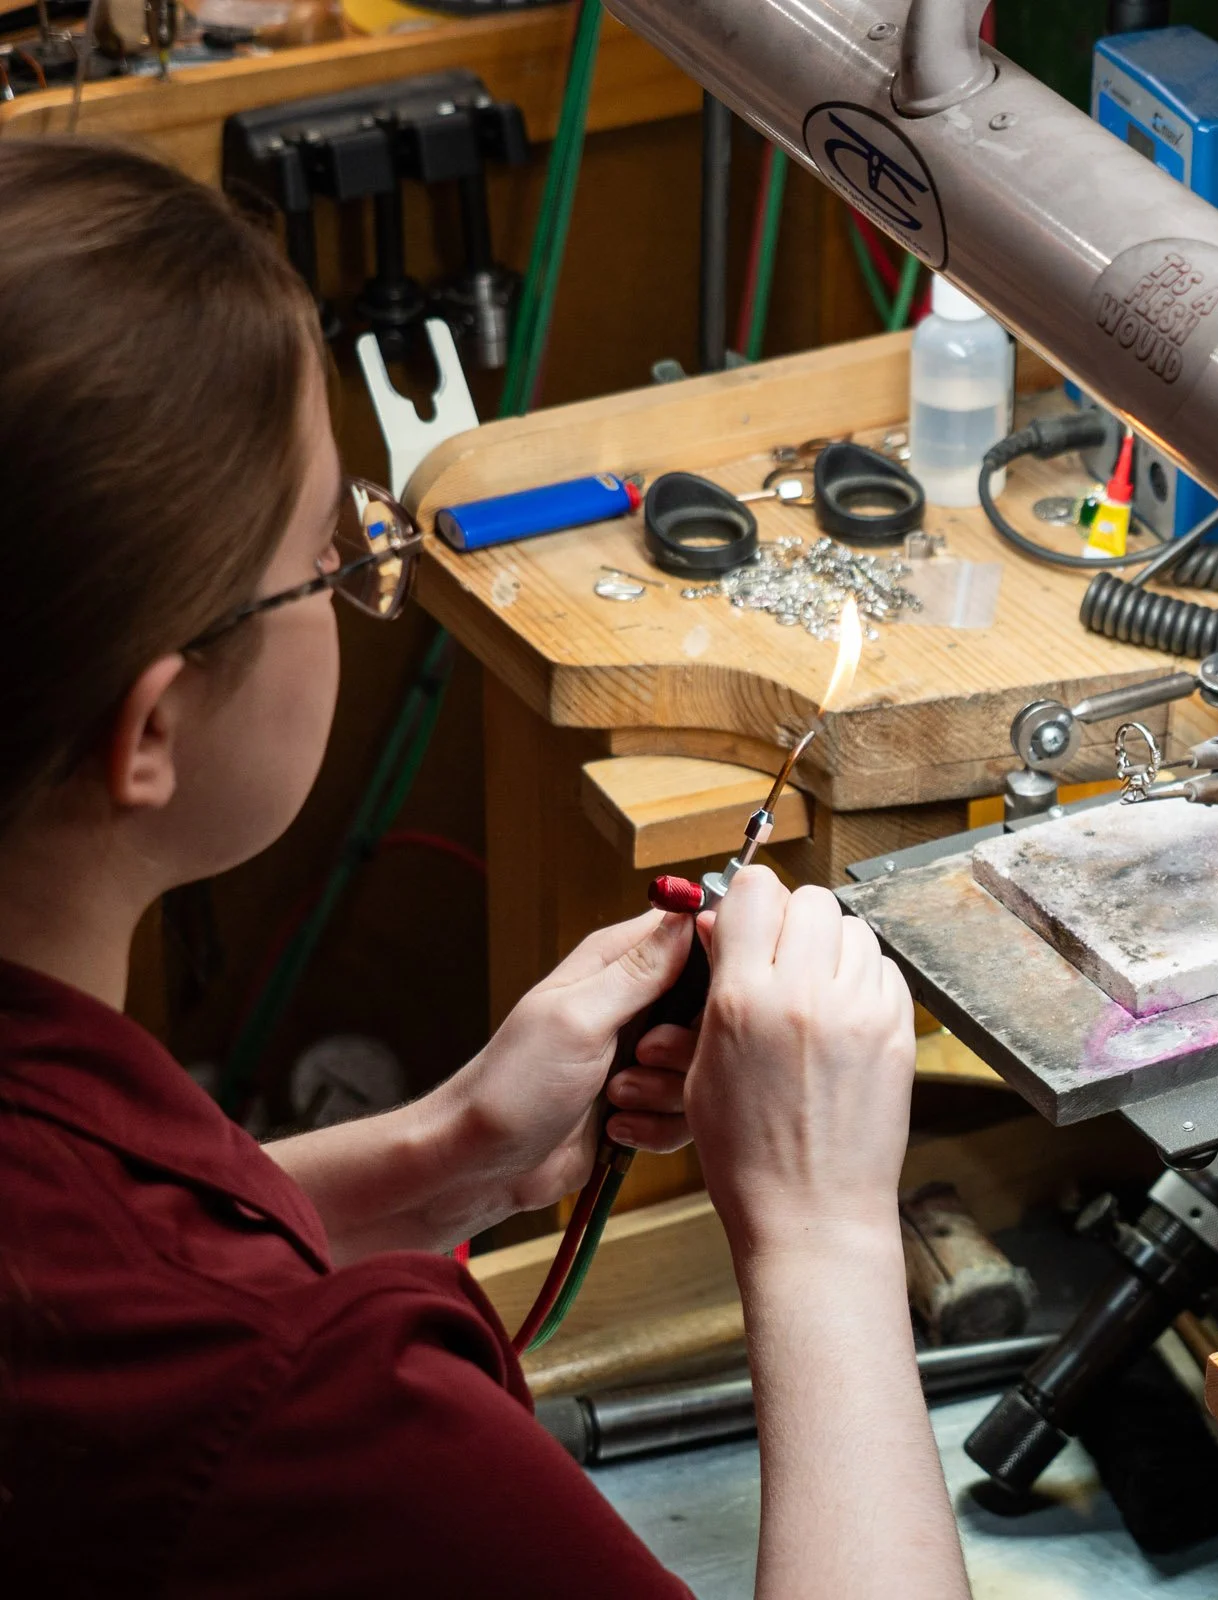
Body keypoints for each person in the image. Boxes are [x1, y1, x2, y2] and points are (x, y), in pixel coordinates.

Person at [0, 141, 971, 1598]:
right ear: (153, 728)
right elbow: (176, 1331)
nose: (359, 588)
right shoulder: (294, 1414)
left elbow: (99, 1254)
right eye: (332, 561)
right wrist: (824, 1228)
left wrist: (447, 1149)